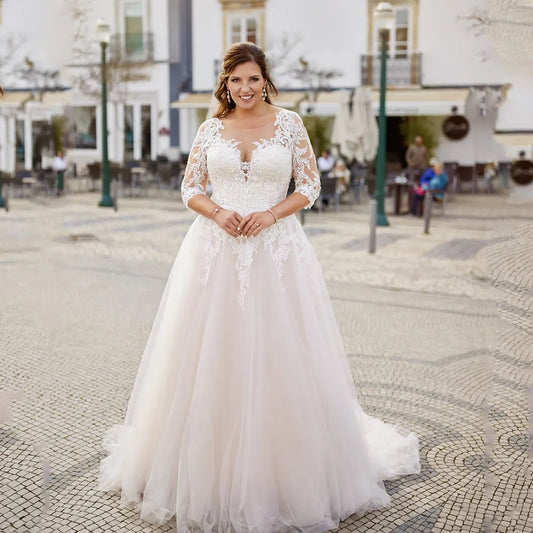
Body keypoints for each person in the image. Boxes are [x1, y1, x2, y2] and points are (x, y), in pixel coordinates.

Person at [98, 42, 420, 533]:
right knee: (208, 353)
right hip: (214, 251)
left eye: (252, 79)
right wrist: (219, 211)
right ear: (224, 84)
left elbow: (308, 186)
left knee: (280, 352)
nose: (244, 89)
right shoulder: (210, 129)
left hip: (277, 253)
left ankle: (284, 471)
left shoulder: (289, 123)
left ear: (265, 79)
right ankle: (201, 467)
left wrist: (271, 213)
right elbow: (190, 188)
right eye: (235, 81)